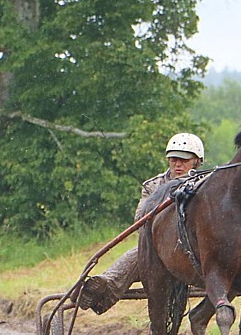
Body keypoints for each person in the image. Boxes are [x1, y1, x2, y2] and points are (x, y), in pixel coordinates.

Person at [77, 132, 204, 314]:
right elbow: (140, 221)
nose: (178, 164)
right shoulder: (153, 186)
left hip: (194, 248)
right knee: (140, 253)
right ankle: (101, 288)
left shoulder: (206, 185)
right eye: (174, 159)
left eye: (184, 160)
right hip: (159, 247)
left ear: (197, 162)